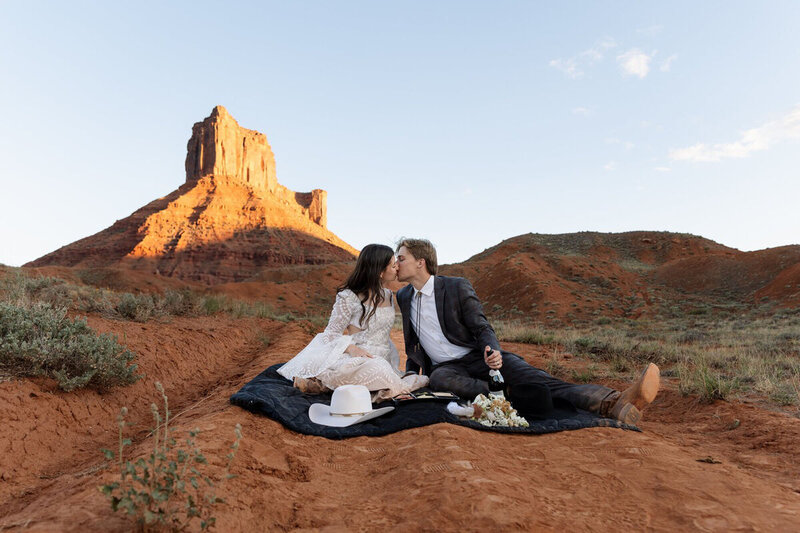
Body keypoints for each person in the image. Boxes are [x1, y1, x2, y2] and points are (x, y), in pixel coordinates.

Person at [394, 238, 659, 425]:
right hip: (447, 370)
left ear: (421, 262)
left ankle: (615, 403)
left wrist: (493, 351)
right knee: (441, 380)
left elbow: (481, 326)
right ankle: (513, 396)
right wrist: (410, 376)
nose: (396, 264)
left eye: (401, 258)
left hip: (477, 357)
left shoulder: (455, 287)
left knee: (535, 379)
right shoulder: (404, 296)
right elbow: (412, 345)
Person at [278, 244, 429, 400]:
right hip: (358, 356)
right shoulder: (349, 296)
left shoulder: (389, 295)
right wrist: (351, 349)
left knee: (387, 370)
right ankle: (326, 382)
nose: (397, 267)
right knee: (378, 369)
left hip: (384, 356)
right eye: (392, 265)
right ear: (379, 272)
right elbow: (330, 334)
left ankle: (345, 387)